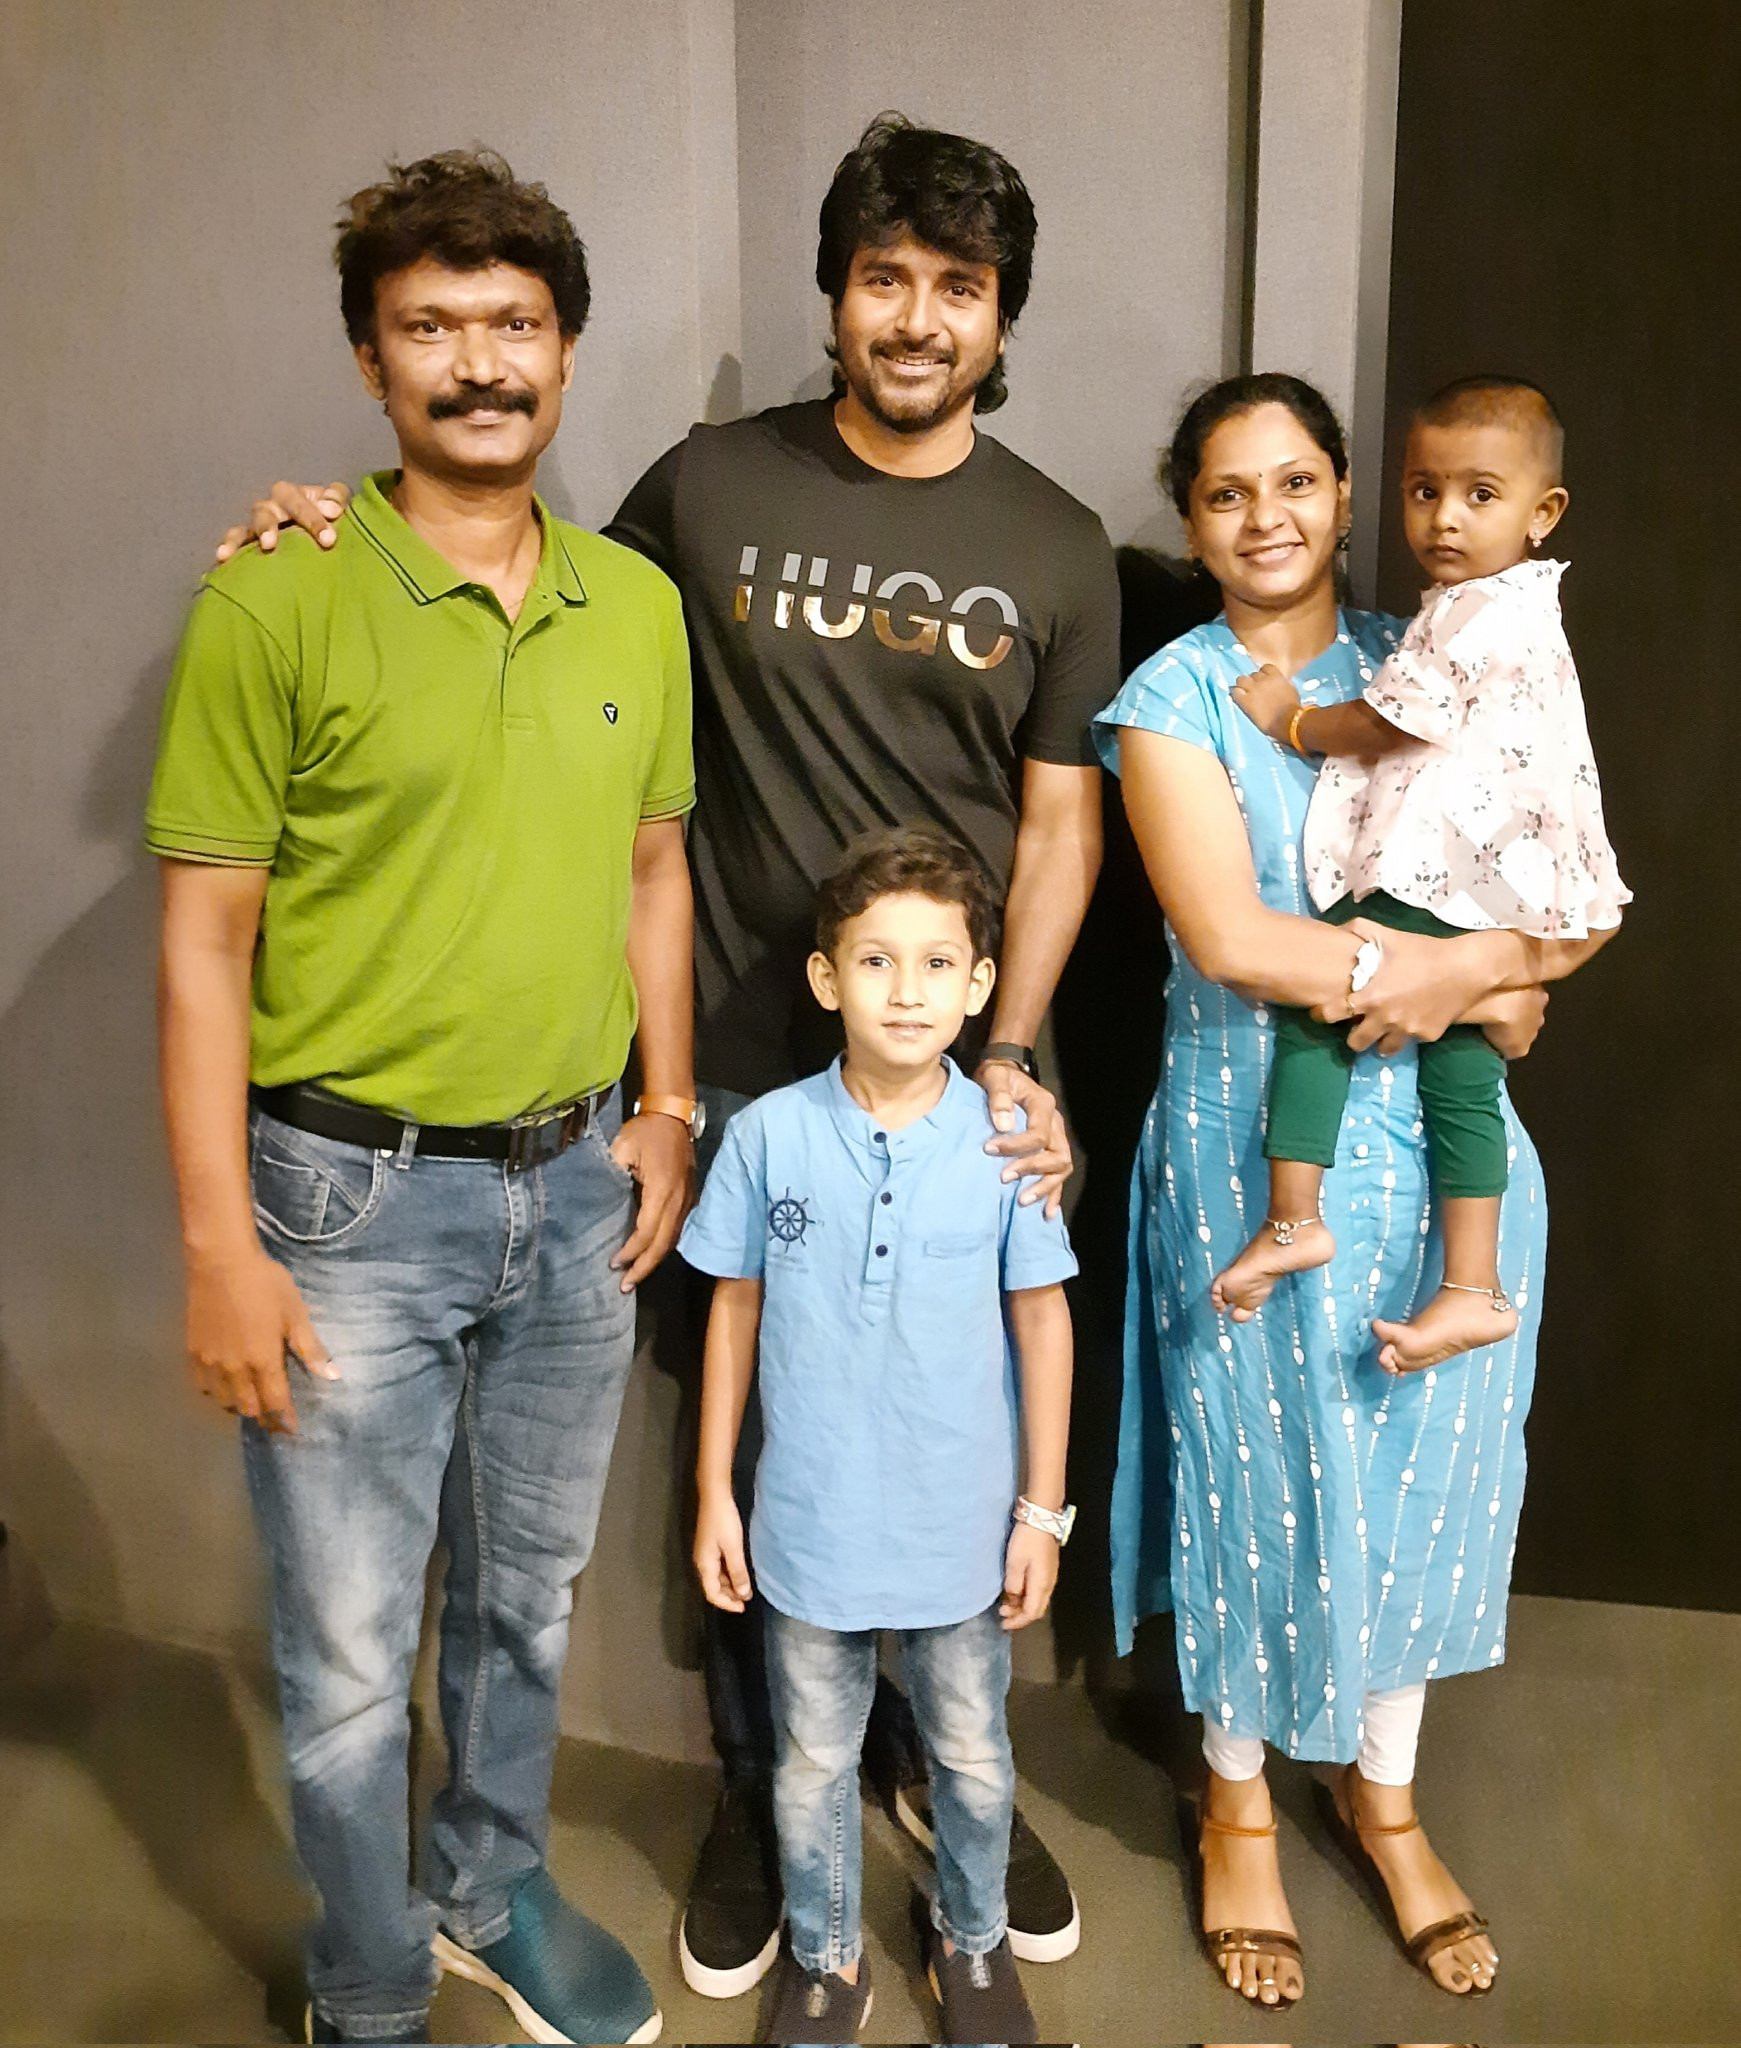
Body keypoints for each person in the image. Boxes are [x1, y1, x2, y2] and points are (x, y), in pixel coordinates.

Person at [219, 112, 1116, 1997]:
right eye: (883, 278)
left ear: (1002, 313)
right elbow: (502, 571)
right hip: (725, 1084)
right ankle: (760, 1790)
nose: (917, 318)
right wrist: (321, 517)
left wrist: (1015, 1050)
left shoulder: (1052, 543)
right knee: (764, 1421)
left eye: (958, 287)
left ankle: (931, 1765)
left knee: (945, 1401)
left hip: (947, 1069)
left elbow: (1058, 824)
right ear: (833, 293)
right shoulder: (704, 490)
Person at [149, 152, 696, 2046]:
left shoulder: (635, 605)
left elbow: (652, 872)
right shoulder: (276, 601)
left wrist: (669, 1102)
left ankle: (482, 1886)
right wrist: (218, 1247)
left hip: (577, 1183)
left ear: (566, 350)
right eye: (432, 326)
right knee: (348, 1657)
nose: (479, 361)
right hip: (343, 1206)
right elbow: (204, 942)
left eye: (514, 323)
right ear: (371, 361)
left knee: (526, 1601)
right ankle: (369, 1978)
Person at [1096, 373, 1614, 2009]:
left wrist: (1502, 975)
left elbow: (1566, 897)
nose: (1266, 516)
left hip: (1451, 1168)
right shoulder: (1173, 698)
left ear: (1343, 494)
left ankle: (1381, 1795)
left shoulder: (1444, 646)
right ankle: (1237, 1796)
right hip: (1253, 1153)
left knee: (1428, 1483)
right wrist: (1461, 974)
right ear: (1193, 524)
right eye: (1226, 492)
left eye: (1296, 481)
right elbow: (1234, 940)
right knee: (1255, 1483)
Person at [681, 827, 1077, 2045]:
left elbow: (1043, 1323)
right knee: (810, 1763)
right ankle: (826, 1955)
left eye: (936, 962)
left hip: (962, 1535)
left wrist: (1041, 1512)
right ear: (825, 977)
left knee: (973, 1757)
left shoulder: (1008, 1147)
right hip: (808, 1529)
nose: (906, 990)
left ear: (978, 982)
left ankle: (971, 1937)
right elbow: (733, 1310)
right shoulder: (766, 1137)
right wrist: (714, 1490)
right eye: (874, 960)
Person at [1211, 376, 1629, 1371]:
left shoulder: (1466, 615)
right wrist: (1495, 983)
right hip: (1496, 892)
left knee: (1321, 1010)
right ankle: (1471, 1285)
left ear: (1542, 511)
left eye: (1479, 495)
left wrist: (1292, 720)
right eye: (1423, 490)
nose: (1443, 517)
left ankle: (1292, 1218)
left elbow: (1384, 722)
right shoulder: (1516, 606)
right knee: (1465, 1079)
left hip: (1441, 881)